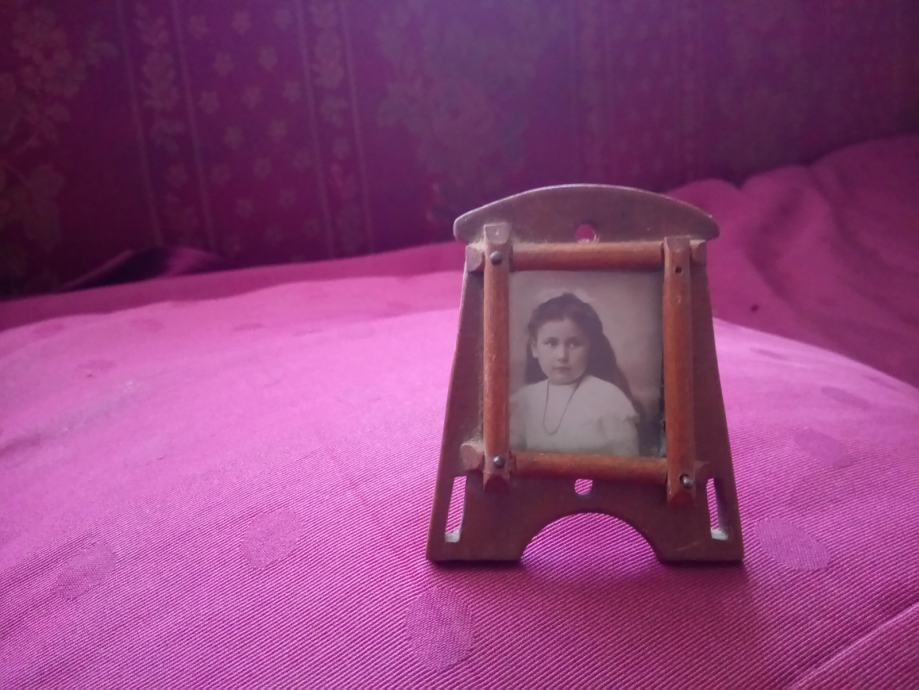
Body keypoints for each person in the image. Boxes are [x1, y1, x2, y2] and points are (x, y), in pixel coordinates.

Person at [510, 292, 640, 455]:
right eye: (551, 343)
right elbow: (512, 456)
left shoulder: (609, 398)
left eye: (573, 344)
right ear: (535, 348)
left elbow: (628, 463)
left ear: (591, 348)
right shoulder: (524, 399)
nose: (562, 356)